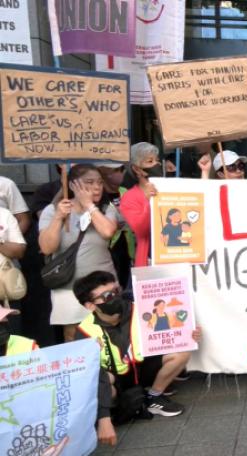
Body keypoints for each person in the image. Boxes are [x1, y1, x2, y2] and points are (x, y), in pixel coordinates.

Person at [73, 271, 200, 428]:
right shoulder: (85, 331)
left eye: (116, 291)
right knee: (101, 380)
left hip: (145, 368)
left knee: (183, 350)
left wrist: (188, 334)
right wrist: (104, 416)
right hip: (118, 378)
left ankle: (154, 396)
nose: (116, 297)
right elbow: (88, 373)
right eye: (107, 296)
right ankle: (120, 407)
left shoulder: (141, 309)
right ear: (90, 305)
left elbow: (173, 328)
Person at [38, 164, 118, 341]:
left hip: (104, 286)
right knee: (73, 335)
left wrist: (89, 205)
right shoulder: (53, 210)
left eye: (100, 182)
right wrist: (58, 217)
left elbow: (108, 232)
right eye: (89, 182)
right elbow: (46, 248)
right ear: (72, 185)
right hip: (68, 286)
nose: (97, 187)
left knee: (109, 331)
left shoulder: (105, 209)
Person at [120, 143, 164, 268]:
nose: (156, 164)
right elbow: (141, 230)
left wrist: (205, 172)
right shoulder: (129, 197)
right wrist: (147, 201)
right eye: (150, 161)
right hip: (148, 261)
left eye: (157, 160)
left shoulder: (170, 189)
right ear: (136, 169)